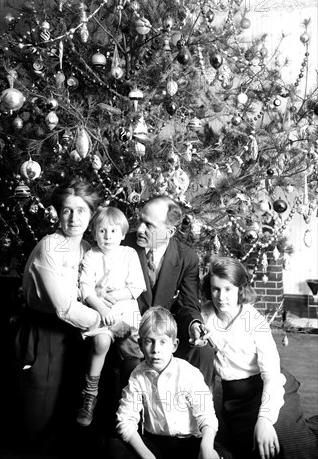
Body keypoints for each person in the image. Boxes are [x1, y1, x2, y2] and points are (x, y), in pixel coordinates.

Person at [200, 256, 318, 459]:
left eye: (228, 289)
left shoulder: (254, 321)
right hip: (236, 400)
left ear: (240, 289)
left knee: (284, 443)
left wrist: (265, 419)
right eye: (215, 289)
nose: (221, 297)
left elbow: (271, 376)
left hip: (269, 387)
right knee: (258, 451)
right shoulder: (204, 316)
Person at [14, 178, 101, 448]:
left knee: (65, 405)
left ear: (91, 214)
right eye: (67, 210)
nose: (74, 218)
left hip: (71, 336)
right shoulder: (51, 245)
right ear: (58, 213)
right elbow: (64, 307)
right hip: (43, 333)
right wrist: (103, 321)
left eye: (81, 210)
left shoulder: (87, 249)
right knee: (39, 410)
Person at [105, 306, 234, 459]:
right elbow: (125, 421)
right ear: (140, 345)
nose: (155, 350)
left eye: (162, 342)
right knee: (113, 446)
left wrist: (206, 447)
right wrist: (148, 456)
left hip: (190, 442)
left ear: (174, 345)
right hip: (156, 443)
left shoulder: (189, 373)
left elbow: (207, 417)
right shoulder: (137, 376)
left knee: (223, 456)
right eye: (149, 342)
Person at [117, 195, 215, 388]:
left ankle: (200, 413)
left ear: (169, 232)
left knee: (204, 351)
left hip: (166, 333)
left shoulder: (187, 257)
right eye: (140, 221)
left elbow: (188, 304)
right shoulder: (121, 245)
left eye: (149, 225)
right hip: (127, 329)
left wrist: (194, 325)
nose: (140, 229)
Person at [76, 206, 146, 427]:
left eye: (114, 231)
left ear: (123, 234)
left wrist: (112, 297)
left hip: (124, 311)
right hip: (100, 311)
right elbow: (86, 290)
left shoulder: (129, 254)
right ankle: (90, 395)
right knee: (101, 341)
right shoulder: (91, 255)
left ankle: (133, 402)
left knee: (130, 349)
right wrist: (102, 307)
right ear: (94, 233)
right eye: (102, 231)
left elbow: (136, 287)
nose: (108, 236)